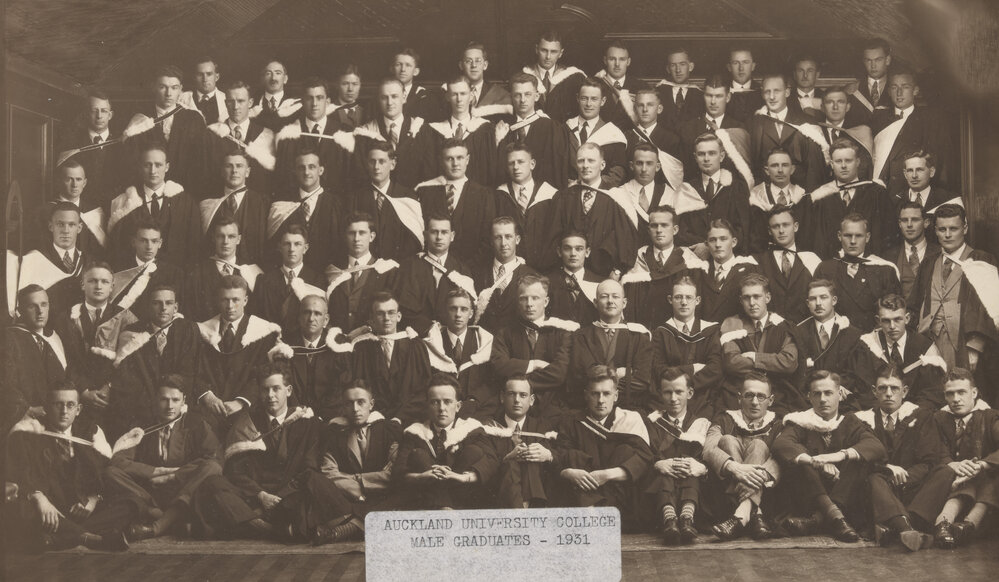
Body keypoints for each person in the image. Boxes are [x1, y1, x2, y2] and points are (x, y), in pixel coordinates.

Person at [194, 362, 360, 543]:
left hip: (291, 496)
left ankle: (262, 526)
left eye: (276, 389)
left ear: (288, 390)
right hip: (255, 496)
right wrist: (262, 496)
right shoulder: (246, 422)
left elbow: (309, 466)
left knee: (313, 483)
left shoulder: (306, 422)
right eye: (265, 390)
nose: (270, 395)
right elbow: (236, 472)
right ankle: (270, 530)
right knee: (212, 484)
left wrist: (280, 497)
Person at [5, 383, 134, 552]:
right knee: (19, 509)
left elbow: (103, 473)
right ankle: (88, 538)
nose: (64, 411)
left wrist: (93, 501)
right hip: (48, 507)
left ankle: (58, 537)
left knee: (128, 504)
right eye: (57, 404)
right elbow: (19, 476)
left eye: (70, 405)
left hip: (79, 507)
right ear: (46, 408)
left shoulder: (90, 433)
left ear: (78, 409)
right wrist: (38, 497)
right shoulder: (29, 434)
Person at [773, 370, 887, 542]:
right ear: (809, 397)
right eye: (817, 394)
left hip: (844, 491)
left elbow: (876, 446)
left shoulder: (850, 422)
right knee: (802, 461)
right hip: (809, 495)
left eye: (828, 393)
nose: (823, 399)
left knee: (858, 459)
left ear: (840, 394)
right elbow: (781, 444)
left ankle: (819, 520)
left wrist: (838, 456)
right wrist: (815, 461)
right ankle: (836, 518)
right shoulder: (800, 422)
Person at [108, 376, 222, 541]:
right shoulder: (142, 425)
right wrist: (155, 471)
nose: (170, 406)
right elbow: (118, 459)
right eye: (164, 399)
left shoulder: (196, 424)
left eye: (175, 400)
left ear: (184, 401)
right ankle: (165, 517)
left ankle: (158, 525)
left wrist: (174, 475)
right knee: (111, 472)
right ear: (155, 400)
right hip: (150, 492)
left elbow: (215, 458)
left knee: (213, 467)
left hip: (184, 490)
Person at [859, 367, 952, 551]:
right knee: (873, 479)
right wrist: (888, 470)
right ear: (873, 391)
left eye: (894, 388)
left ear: (905, 391)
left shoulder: (922, 416)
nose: (888, 394)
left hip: (914, 487)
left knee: (945, 472)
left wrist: (905, 477)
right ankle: (906, 528)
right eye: (882, 388)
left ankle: (900, 526)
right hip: (881, 487)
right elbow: (864, 458)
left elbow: (929, 461)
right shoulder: (863, 420)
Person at [553, 366, 652, 529]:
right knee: (574, 456)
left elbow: (644, 459)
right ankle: (594, 521)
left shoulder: (629, 420)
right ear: (586, 395)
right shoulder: (571, 421)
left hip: (620, 502)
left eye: (606, 394)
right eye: (595, 394)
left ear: (616, 396)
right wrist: (568, 473)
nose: (600, 400)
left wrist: (607, 475)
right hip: (584, 502)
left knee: (625, 451)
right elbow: (560, 456)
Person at [910, 203, 998, 382]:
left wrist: (975, 346)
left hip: (965, 344)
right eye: (942, 229)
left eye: (953, 228)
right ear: (935, 230)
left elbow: (989, 307)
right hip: (930, 340)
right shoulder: (929, 263)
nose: (948, 234)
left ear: (964, 228)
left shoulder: (980, 259)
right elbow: (915, 303)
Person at [193, 275, 283, 433]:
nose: (230, 306)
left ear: (246, 301)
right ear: (217, 300)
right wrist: (207, 396)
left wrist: (241, 402)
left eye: (236, 300)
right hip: (210, 409)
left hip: (249, 408)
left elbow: (264, 374)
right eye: (224, 300)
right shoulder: (202, 331)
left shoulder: (263, 332)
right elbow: (194, 370)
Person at [109, 284, 201, 439]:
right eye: (157, 303)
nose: (163, 308)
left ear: (176, 307)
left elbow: (189, 372)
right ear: (148, 306)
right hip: (143, 407)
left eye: (169, 303)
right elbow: (128, 380)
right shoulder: (133, 333)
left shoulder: (188, 330)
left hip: (177, 404)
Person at [56, 262, 139, 428]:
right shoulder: (65, 318)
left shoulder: (126, 317)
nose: (98, 286)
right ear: (82, 284)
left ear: (112, 286)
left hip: (114, 397)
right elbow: (63, 360)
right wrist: (84, 391)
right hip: (78, 398)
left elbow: (132, 362)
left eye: (104, 282)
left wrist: (109, 387)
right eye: (92, 281)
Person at [319, 381, 404, 537]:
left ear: (371, 404)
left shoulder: (388, 430)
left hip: (381, 494)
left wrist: (359, 480)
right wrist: (354, 489)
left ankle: (348, 528)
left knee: (403, 493)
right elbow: (329, 472)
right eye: (349, 404)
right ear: (343, 407)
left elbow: (393, 470)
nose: (355, 409)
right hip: (350, 495)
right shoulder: (334, 433)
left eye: (361, 402)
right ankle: (357, 525)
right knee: (317, 484)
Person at [702, 372, 780, 541]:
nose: (754, 402)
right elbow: (708, 449)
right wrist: (734, 467)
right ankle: (754, 513)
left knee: (759, 445)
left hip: (767, 494)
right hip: (724, 495)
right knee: (728, 440)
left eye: (761, 396)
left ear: (771, 400)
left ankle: (740, 516)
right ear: (739, 398)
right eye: (749, 395)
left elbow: (779, 458)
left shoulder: (778, 424)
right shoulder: (724, 419)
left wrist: (763, 473)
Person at [460, 377, 557, 508]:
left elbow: (561, 455)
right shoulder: (488, 427)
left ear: (531, 400)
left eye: (523, 395)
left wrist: (549, 454)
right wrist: (508, 458)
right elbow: (487, 462)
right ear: (502, 397)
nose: (517, 400)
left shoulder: (543, 427)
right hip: (498, 495)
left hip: (539, 492)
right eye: (511, 394)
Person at [490, 274, 576, 423]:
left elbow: (559, 373)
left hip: (553, 408)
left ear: (546, 301)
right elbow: (499, 365)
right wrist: (534, 364)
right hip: (513, 410)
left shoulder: (562, 332)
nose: (529, 304)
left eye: (535, 298)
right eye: (524, 298)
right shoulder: (505, 333)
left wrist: (521, 384)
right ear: (518, 302)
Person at [393, 374, 487, 509]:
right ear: (427, 405)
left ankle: (445, 506)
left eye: (447, 402)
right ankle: (446, 507)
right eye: (435, 402)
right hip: (427, 504)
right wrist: (422, 476)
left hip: (463, 500)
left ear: (458, 406)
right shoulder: (415, 433)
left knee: (474, 451)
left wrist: (461, 477)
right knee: (418, 455)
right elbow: (398, 473)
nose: (442, 408)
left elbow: (490, 463)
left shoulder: (473, 429)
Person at [931, 368, 999, 549]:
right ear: (944, 396)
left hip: (985, 479)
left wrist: (983, 464)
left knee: (989, 478)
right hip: (952, 479)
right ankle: (945, 523)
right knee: (964, 481)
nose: (956, 399)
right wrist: (952, 463)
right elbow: (934, 449)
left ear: (974, 393)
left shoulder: (990, 416)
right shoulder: (938, 418)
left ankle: (966, 525)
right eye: (950, 394)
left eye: (962, 392)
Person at [642, 370, 710, 544]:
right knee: (665, 471)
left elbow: (709, 456)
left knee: (691, 467)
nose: (673, 398)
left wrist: (702, 467)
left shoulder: (702, 424)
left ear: (690, 393)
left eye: (679, 392)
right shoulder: (652, 423)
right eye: (667, 392)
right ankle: (669, 519)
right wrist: (658, 463)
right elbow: (644, 454)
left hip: (695, 489)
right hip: (658, 488)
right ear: (660, 393)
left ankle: (688, 518)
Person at [551, 143, 639, 278]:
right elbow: (555, 236)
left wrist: (617, 272)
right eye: (581, 161)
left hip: (606, 275)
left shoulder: (616, 197)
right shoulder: (564, 197)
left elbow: (625, 239)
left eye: (591, 160)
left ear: (602, 165)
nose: (585, 165)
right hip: (569, 274)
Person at [719, 273, 802, 416]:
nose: (752, 303)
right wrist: (771, 363)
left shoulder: (783, 326)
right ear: (741, 300)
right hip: (741, 395)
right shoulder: (732, 324)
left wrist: (755, 357)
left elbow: (789, 362)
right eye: (746, 297)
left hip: (776, 395)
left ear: (767, 298)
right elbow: (732, 362)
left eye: (757, 296)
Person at [107, 144, 200, 269]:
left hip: (174, 278)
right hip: (135, 276)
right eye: (147, 165)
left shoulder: (185, 203)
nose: (153, 171)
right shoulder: (125, 202)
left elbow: (194, 247)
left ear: (167, 167)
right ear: (140, 167)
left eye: (158, 165)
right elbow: (117, 249)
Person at [347, 292, 432, 426]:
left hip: (410, 419)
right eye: (380, 313)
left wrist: (400, 417)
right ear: (372, 319)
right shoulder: (362, 349)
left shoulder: (415, 346)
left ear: (399, 316)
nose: (386, 318)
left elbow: (423, 389)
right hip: (373, 420)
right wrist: (375, 415)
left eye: (391, 312)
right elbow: (359, 387)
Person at [569, 279, 653, 412]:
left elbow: (642, 381)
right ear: (595, 303)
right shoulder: (581, 336)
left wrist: (600, 381)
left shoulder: (639, 336)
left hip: (629, 408)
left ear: (624, 303)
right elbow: (581, 377)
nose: (610, 301)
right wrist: (621, 373)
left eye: (615, 296)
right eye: (604, 296)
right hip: (590, 409)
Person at [851, 294, 946, 409]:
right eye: (886, 321)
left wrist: (909, 413)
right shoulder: (868, 345)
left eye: (897, 320)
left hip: (915, 415)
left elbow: (931, 394)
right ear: (878, 321)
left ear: (907, 319)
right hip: (878, 413)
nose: (892, 326)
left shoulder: (924, 347)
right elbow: (864, 392)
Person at [126, 65, 209, 196]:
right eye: (162, 87)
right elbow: (133, 164)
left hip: (186, 193)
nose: (169, 93)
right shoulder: (140, 120)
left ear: (181, 89)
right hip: (149, 194)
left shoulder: (194, 119)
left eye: (174, 88)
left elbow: (201, 164)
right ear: (154, 87)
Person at [416, 139, 498, 269]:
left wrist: (464, 269)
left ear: (467, 159)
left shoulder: (484, 194)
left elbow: (488, 240)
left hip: (472, 271)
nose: (455, 164)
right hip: (432, 268)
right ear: (441, 161)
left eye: (460, 158)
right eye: (449, 159)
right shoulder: (426, 193)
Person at [814, 214, 901, 333]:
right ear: (839, 236)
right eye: (848, 236)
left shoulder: (885, 270)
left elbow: (893, 313)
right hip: (835, 339)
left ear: (868, 237)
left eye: (858, 236)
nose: (853, 241)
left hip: (873, 340)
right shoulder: (825, 269)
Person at [871, 68, 954, 192]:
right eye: (894, 87)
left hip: (912, 191)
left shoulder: (930, 121)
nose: (899, 93)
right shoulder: (878, 120)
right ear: (888, 91)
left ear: (915, 90)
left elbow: (939, 161)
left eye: (905, 87)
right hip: (882, 191)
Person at [809, 139, 895, 257]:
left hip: (870, 265)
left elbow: (889, 234)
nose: (843, 166)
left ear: (858, 162)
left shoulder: (876, 193)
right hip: (832, 267)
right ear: (832, 164)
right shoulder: (822, 197)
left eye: (848, 161)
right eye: (838, 161)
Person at [651, 276, 723, 419]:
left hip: (703, 399)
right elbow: (659, 370)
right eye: (678, 297)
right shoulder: (661, 333)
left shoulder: (710, 331)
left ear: (697, 301)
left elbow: (715, 369)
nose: (684, 302)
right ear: (670, 300)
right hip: (671, 400)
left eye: (688, 297)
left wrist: (684, 385)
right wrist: (692, 368)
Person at [342, 142, 423, 263]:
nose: (376, 167)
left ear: (393, 164)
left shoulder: (407, 196)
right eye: (372, 161)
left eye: (381, 161)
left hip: (398, 267)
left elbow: (412, 239)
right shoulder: (356, 197)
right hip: (366, 268)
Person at [396, 213, 476, 336]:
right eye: (434, 232)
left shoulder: (462, 270)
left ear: (452, 236)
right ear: (425, 235)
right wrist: (429, 328)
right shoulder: (409, 267)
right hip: (416, 337)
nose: (439, 237)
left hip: (450, 337)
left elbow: (467, 309)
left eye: (444, 232)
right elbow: (404, 308)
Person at [422, 289, 496, 421]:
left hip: (476, 411)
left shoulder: (484, 342)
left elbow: (490, 383)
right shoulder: (433, 343)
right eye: (453, 309)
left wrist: (474, 401)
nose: (458, 314)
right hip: (439, 414)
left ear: (471, 313)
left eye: (464, 309)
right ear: (445, 312)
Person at [622, 205, 699, 330]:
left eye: (664, 225)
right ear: (648, 230)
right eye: (654, 225)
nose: (659, 230)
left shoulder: (688, 260)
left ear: (675, 230)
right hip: (645, 329)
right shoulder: (638, 258)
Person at [267, 150, 345, 273]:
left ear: (321, 170)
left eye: (312, 167)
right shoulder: (282, 204)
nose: (306, 172)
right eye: (301, 168)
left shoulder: (336, 204)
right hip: (290, 276)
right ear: (295, 171)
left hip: (324, 276)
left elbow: (341, 245)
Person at [746, 72, 826, 192]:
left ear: (787, 92)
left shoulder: (806, 123)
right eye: (767, 92)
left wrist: (809, 202)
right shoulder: (754, 124)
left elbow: (814, 171)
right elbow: (752, 168)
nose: (772, 97)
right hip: (765, 198)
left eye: (777, 91)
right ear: (763, 94)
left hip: (801, 196)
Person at [791, 280, 865, 408]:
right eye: (813, 299)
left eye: (823, 297)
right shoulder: (798, 332)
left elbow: (854, 374)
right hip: (807, 401)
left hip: (842, 401)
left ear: (834, 300)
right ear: (808, 304)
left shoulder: (853, 334)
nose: (818, 303)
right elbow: (798, 374)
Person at [273, 77, 353, 194]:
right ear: (302, 102)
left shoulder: (344, 133)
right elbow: (284, 179)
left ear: (328, 102)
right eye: (309, 98)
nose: (314, 104)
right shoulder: (288, 135)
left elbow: (349, 179)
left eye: (319, 98)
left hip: (335, 205)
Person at [414, 76, 495, 186]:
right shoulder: (431, 131)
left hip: (476, 196)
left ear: (471, 96)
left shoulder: (486, 130)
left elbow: (489, 172)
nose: (459, 99)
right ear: (447, 97)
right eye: (454, 94)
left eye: (463, 94)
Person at [494, 72, 570, 190]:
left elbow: (558, 170)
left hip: (543, 198)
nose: (523, 100)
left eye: (528, 94)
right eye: (517, 95)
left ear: (537, 96)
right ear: (511, 97)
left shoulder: (552, 128)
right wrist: (498, 142)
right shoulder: (503, 129)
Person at [326, 213, 400, 334]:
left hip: (372, 341)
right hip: (338, 342)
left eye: (362, 233)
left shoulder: (387, 270)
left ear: (371, 236)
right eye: (351, 233)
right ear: (345, 236)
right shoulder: (333, 271)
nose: (356, 238)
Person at [282, 295, 352, 421]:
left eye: (317, 314)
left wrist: (317, 415)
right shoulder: (286, 345)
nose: (311, 318)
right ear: (299, 317)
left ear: (326, 320)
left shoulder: (338, 345)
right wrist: (298, 411)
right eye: (306, 312)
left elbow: (340, 388)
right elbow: (284, 383)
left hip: (330, 416)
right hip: (294, 415)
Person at [56, 91, 130, 208]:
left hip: (114, 209)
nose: (99, 116)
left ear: (110, 115)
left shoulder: (123, 144)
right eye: (94, 111)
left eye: (104, 111)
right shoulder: (72, 144)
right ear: (86, 114)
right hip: (81, 210)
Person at [675, 133, 751, 248]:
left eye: (712, 153)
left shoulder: (737, 187)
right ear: (695, 157)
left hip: (729, 255)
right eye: (701, 154)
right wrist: (702, 246)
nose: (706, 159)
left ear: (721, 156)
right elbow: (682, 231)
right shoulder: (687, 189)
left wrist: (710, 247)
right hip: (696, 256)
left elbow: (743, 229)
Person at [250, 225, 325, 338]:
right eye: (287, 244)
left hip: (302, 345)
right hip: (270, 344)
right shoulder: (264, 281)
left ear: (305, 248)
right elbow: (256, 318)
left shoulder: (318, 280)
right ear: (280, 247)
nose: (291, 249)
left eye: (297, 244)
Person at [4, 286, 68, 419]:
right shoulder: (8, 338)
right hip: (25, 416)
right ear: (20, 310)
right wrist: (26, 409)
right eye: (32, 306)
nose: (40, 311)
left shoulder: (55, 338)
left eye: (44, 305)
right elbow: (5, 382)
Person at [495, 142, 560, 272]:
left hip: (545, 268)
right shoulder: (499, 195)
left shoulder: (550, 194)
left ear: (532, 164)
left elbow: (554, 236)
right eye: (511, 163)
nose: (516, 167)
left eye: (521, 162)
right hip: (511, 268)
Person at [752, 205, 820, 324]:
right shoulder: (757, 261)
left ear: (795, 227)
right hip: (771, 331)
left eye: (786, 225)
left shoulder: (811, 259)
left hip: (806, 331)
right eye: (775, 226)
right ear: (769, 231)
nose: (781, 231)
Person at [198, 152, 270, 266]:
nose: (234, 170)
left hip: (252, 272)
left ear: (247, 172)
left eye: (239, 166)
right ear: (222, 171)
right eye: (229, 166)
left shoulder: (262, 203)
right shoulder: (208, 204)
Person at [206, 80, 276, 196]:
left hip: (257, 204)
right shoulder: (211, 135)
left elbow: (269, 179)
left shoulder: (266, 135)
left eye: (241, 101)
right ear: (225, 103)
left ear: (250, 103)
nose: (235, 107)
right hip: (220, 200)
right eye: (231, 101)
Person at [183, 218, 261, 323]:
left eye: (231, 236)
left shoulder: (252, 272)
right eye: (220, 236)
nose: (225, 242)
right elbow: (191, 312)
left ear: (238, 239)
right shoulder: (197, 274)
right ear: (213, 238)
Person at [351, 79, 423, 189]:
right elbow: (361, 173)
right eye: (384, 97)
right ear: (379, 100)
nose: (389, 103)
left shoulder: (420, 129)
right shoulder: (366, 132)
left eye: (394, 96)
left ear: (404, 97)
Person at [111, 220, 186, 323]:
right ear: (134, 242)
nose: (149, 247)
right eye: (143, 241)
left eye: (154, 241)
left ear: (160, 243)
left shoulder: (174, 273)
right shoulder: (118, 268)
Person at [472, 217, 538, 332]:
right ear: (491, 241)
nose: (503, 243)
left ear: (517, 239)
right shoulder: (476, 274)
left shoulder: (531, 276)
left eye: (508, 237)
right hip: (483, 344)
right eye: (498, 237)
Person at [30, 161, 106, 260]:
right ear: (59, 181)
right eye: (69, 179)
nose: (74, 185)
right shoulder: (43, 212)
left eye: (78, 179)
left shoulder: (96, 211)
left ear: (84, 183)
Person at [677, 75, 744, 180]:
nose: (713, 102)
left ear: (728, 97)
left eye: (718, 96)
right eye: (709, 95)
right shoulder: (687, 128)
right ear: (703, 96)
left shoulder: (738, 129)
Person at [747, 149, 811, 255]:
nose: (780, 170)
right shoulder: (756, 198)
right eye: (774, 165)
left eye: (785, 165)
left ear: (792, 169)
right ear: (767, 170)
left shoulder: (803, 198)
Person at [565, 78, 628, 187]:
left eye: (594, 99)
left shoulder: (612, 134)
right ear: (577, 99)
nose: (588, 104)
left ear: (602, 101)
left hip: (600, 194)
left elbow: (618, 172)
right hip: (568, 192)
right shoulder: (564, 129)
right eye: (584, 98)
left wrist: (592, 185)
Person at [618, 143, 678, 248]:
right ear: (631, 166)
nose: (644, 169)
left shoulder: (669, 194)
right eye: (639, 163)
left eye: (649, 163)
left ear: (657, 167)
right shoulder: (620, 193)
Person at [700, 219, 758, 324]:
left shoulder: (749, 270)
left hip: (737, 333)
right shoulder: (700, 272)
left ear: (734, 242)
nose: (718, 244)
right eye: (713, 240)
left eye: (723, 239)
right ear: (706, 244)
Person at [523, 30, 586, 122]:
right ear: (536, 49)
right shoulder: (524, 76)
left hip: (564, 132)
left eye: (553, 52)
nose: (548, 56)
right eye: (544, 50)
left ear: (561, 53)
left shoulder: (574, 78)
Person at [882, 201, 940, 301]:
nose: (909, 225)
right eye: (904, 220)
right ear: (899, 224)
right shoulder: (888, 257)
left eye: (915, 220)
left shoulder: (939, 253)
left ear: (926, 223)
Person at [545, 231, 601, 325]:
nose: (573, 254)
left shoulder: (600, 282)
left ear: (587, 252)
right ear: (559, 252)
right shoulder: (547, 282)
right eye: (567, 249)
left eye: (579, 249)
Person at [594, 41, 646, 132]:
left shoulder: (641, 87)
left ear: (628, 62)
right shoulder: (594, 85)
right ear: (605, 60)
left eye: (622, 59)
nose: (617, 64)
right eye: (612, 59)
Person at [894, 150, 961, 219]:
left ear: (932, 172)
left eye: (919, 170)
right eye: (910, 170)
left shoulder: (949, 200)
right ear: (905, 174)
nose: (914, 175)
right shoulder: (896, 202)